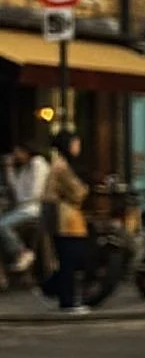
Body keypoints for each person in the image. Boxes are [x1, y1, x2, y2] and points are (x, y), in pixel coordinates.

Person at [39, 130, 89, 314]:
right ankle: (65, 300)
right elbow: (78, 192)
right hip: (65, 219)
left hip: (62, 217)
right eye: (75, 143)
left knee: (70, 258)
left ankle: (51, 287)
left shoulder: (60, 164)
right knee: (71, 258)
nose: (78, 147)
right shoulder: (62, 167)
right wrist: (84, 188)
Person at [0, 140, 48, 277]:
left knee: (1, 225)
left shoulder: (38, 164)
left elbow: (35, 193)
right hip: (24, 207)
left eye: (17, 153)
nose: (16, 156)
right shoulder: (23, 168)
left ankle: (21, 252)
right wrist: (9, 170)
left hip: (34, 209)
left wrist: (22, 201)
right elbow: (17, 192)